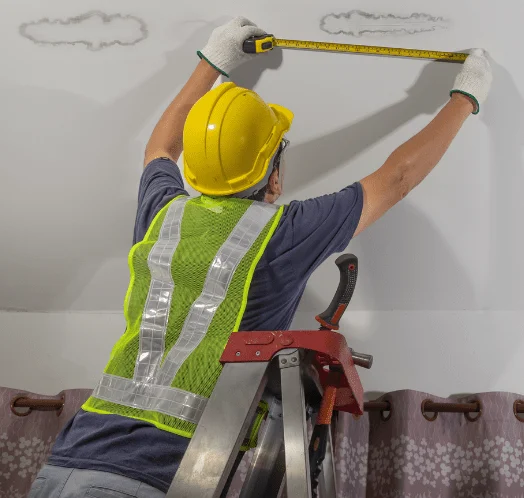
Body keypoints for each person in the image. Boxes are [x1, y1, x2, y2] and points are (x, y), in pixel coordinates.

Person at [29, 16, 492, 498]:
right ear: (273, 178)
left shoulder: (162, 212)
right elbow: (396, 179)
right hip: (145, 481)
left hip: (62, 467)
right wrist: (467, 96)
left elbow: (160, 146)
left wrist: (213, 61)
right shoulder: (282, 232)